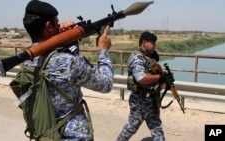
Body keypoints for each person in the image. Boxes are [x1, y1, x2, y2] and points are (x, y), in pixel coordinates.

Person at [23, 0, 113, 140]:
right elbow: (106, 84)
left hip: (45, 135)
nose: (60, 25)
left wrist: (68, 39)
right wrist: (103, 50)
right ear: (48, 26)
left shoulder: (26, 58)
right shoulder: (68, 62)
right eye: (56, 23)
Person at [116, 31, 170, 141]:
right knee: (131, 127)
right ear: (144, 43)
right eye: (153, 43)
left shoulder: (148, 57)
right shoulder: (137, 58)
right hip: (139, 100)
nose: (155, 46)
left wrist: (165, 80)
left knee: (157, 128)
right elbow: (141, 78)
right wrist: (160, 77)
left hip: (151, 99)